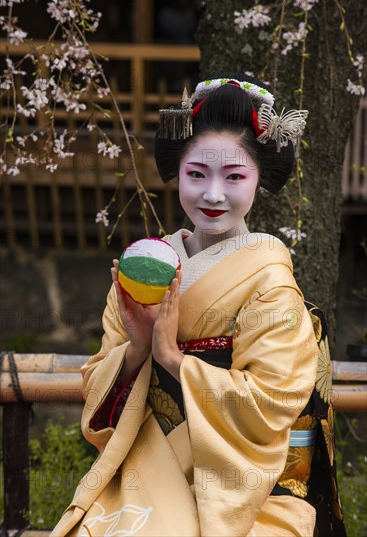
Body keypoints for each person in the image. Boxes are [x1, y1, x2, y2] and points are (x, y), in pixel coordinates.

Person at [52, 75, 346, 536]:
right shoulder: (143, 270)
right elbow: (96, 388)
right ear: (178, 173)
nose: (212, 194)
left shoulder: (271, 284)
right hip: (146, 465)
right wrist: (137, 348)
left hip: (244, 486)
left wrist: (171, 359)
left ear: (259, 180)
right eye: (196, 174)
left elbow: (273, 403)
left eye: (234, 176)